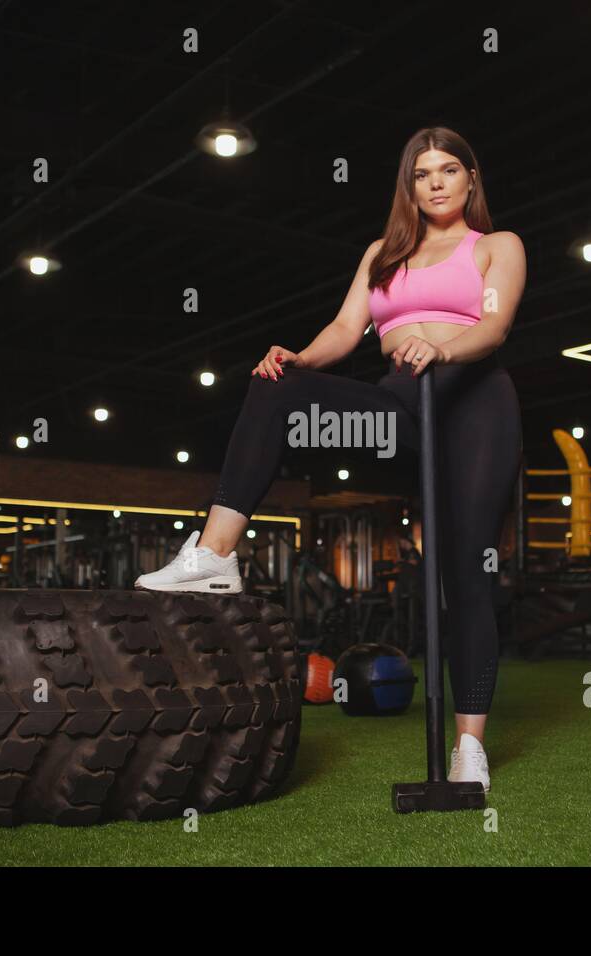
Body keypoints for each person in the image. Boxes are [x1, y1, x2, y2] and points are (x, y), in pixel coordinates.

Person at [136, 126, 525, 791]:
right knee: (277, 384)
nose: (435, 182)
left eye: (448, 170)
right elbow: (348, 330)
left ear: (469, 180)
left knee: (464, 575)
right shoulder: (383, 254)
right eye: (421, 173)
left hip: (473, 403)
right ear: (408, 187)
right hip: (401, 401)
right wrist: (299, 358)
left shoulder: (496, 246)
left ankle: (469, 748)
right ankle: (215, 555)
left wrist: (444, 349)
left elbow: (494, 326)